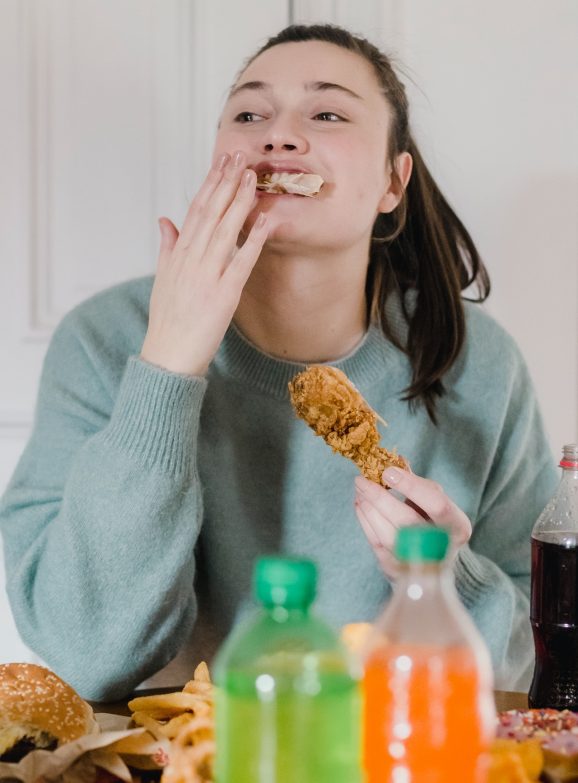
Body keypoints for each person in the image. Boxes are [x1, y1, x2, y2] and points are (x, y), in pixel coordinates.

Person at [0, 24, 557, 701]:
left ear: (393, 179)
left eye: (326, 113)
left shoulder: (477, 363)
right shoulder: (104, 341)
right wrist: (169, 365)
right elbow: (88, 654)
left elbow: (528, 670)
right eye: (249, 114)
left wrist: (441, 581)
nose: (278, 135)